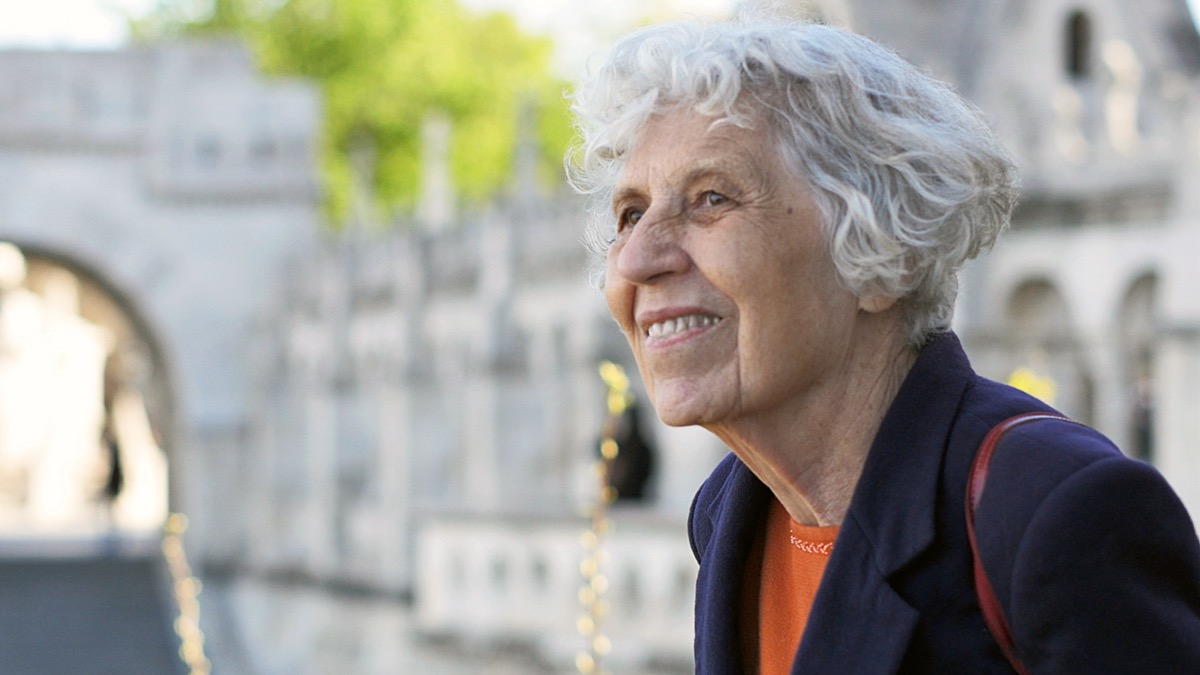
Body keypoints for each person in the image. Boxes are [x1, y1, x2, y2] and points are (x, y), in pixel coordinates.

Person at [568, 19, 1200, 674]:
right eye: (630, 214)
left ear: (886, 255)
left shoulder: (1060, 512)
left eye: (712, 198)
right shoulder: (727, 511)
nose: (636, 259)